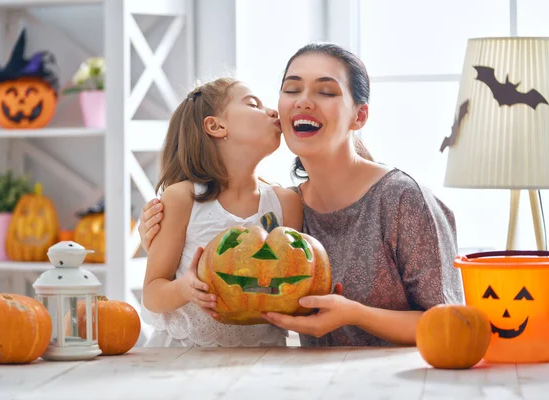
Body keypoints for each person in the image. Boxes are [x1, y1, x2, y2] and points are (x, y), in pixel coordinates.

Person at [139, 43, 464, 348]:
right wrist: (158, 232)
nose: (303, 101)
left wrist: (353, 313)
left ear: (359, 116)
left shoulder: (402, 201)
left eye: (326, 91)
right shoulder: (288, 207)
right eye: (291, 89)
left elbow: (456, 326)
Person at [141, 77, 306, 347]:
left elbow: (290, 284)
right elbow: (152, 293)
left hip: (262, 356)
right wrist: (184, 288)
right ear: (216, 126)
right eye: (253, 104)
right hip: (183, 357)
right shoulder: (182, 198)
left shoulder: (286, 203)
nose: (273, 112)